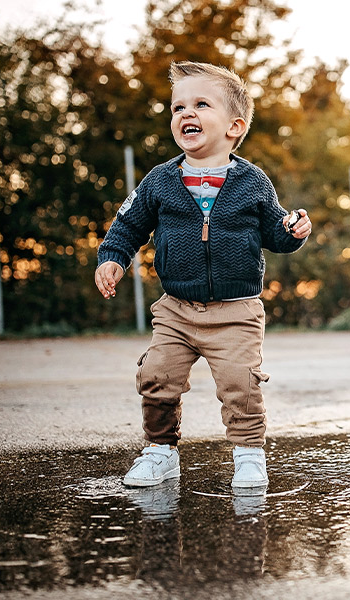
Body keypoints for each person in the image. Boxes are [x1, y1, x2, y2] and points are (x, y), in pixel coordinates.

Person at [95, 61, 311, 490]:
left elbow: (275, 233)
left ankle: (249, 456)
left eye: (200, 105)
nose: (185, 114)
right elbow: (127, 225)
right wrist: (113, 257)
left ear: (234, 126)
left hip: (236, 311)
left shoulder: (252, 182)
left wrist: (293, 231)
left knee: (240, 385)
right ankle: (160, 452)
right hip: (176, 308)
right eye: (177, 108)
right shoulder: (160, 180)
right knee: (156, 375)